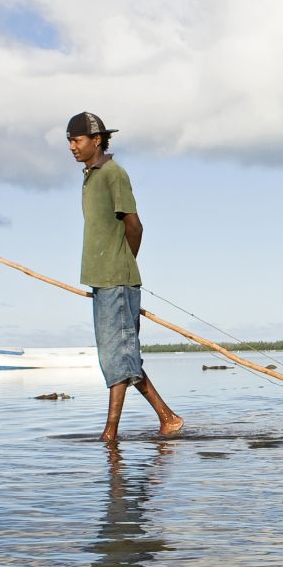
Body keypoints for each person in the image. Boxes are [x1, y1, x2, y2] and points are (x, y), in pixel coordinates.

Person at [67, 112, 183, 441]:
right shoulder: (90, 176)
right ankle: (168, 418)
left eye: (77, 140)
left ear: (97, 140)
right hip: (101, 279)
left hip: (117, 279)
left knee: (120, 356)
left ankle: (110, 433)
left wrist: (122, 264)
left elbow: (134, 226)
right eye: (70, 142)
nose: (72, 147)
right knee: (118, 356)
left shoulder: (113, 174)